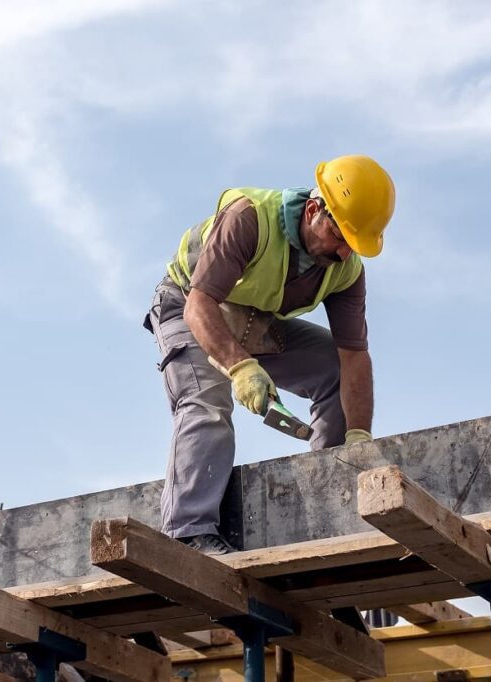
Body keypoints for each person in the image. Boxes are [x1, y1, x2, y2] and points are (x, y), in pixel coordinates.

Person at [144, 155, 395, 554]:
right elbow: (200, 305)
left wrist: (359, 436)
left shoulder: (346, 271)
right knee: (206, 403)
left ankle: (333, 493)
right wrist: (241, 366)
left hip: (251, 318)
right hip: (187, 304)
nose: (346, 252)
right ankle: (189, 534)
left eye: (354, 244)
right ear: (314, 210)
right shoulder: (249, 219)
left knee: (331, 368)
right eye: (341, 237)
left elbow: (353, 357)